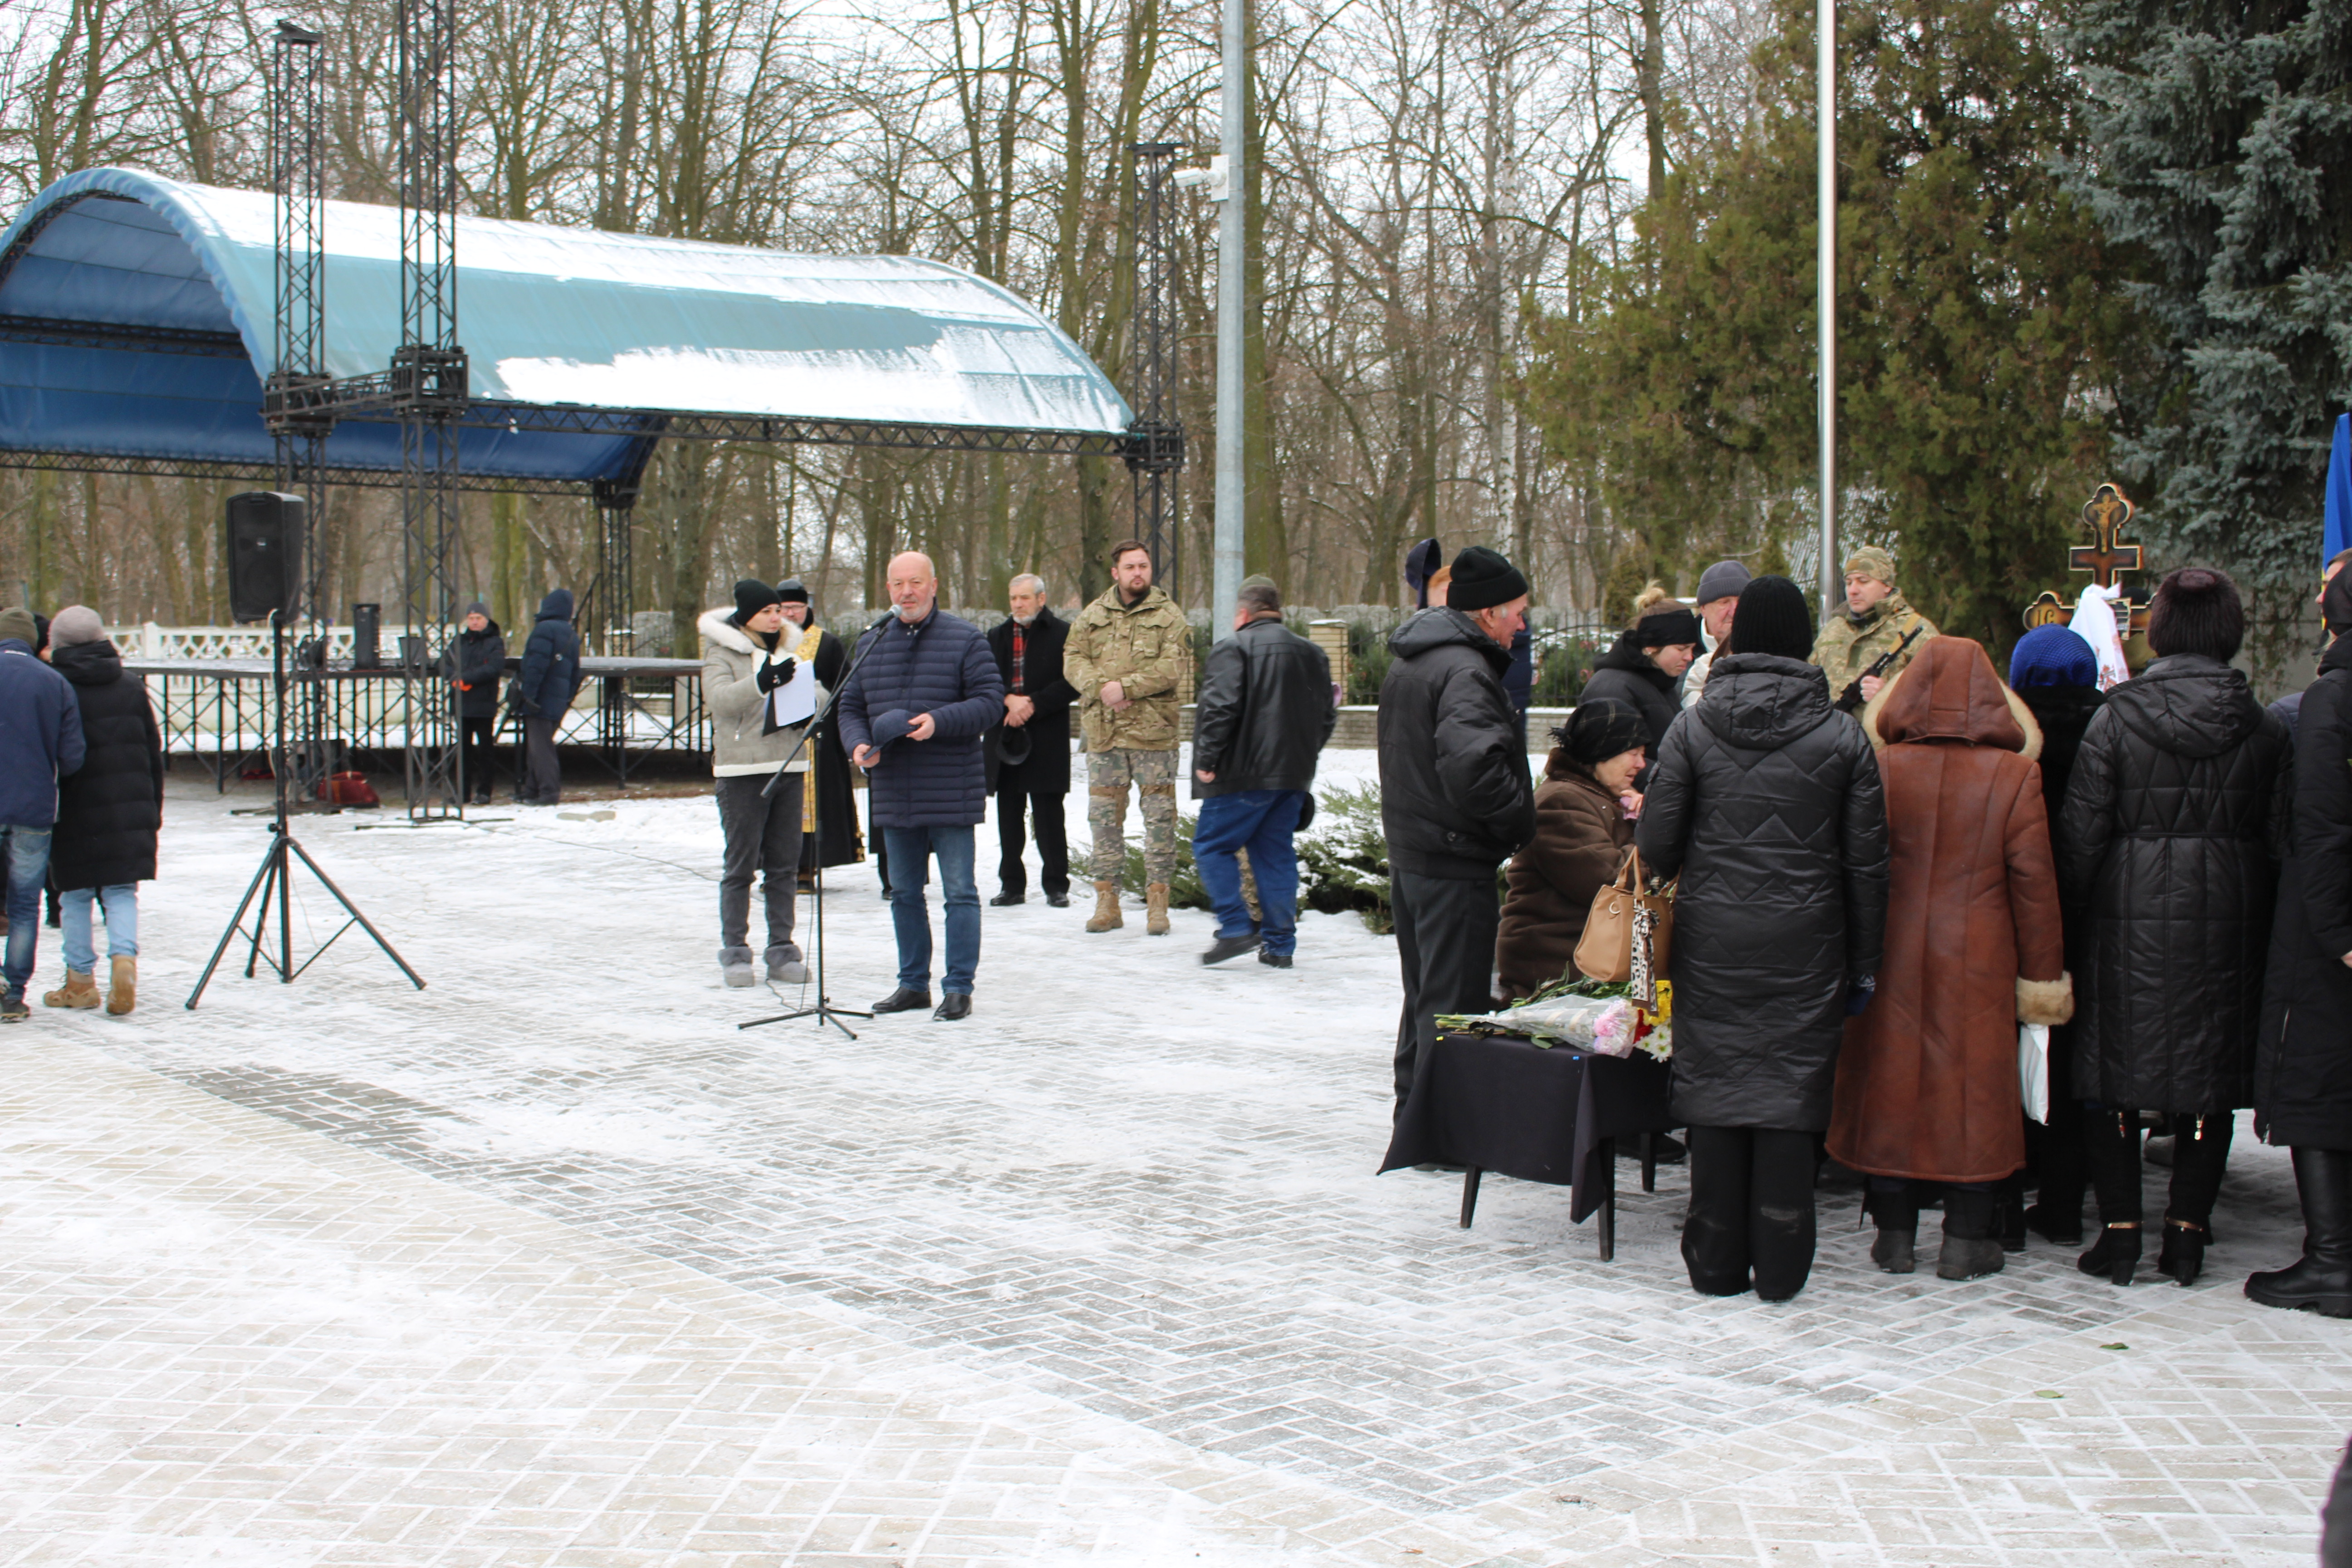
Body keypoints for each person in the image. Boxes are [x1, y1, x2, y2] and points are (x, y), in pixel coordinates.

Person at [1637, 574, 1888, 1302]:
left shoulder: (1692, 727)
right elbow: (1867, 865)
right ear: (1806, 640)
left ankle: (1713, 1263)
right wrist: (1864, 966)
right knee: (1789, 1094)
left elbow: (1656, 845)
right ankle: (1781, 1266)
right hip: (1810, 945)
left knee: (1716, 1090)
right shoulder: (1843, 736)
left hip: (1714, 940)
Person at [2059, 566, 2290, 1288]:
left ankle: (2121, 1236)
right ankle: (2186, 1237)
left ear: (2159, 628)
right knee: (2207, 1077)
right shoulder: (2261, 727)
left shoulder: (2117, 717)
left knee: (2113, 1075)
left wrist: (2071, 915)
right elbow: (2280, 838)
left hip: (2128, 918)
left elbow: (2081, 835)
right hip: (2228, 919)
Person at [1827, 636, 2071, 1282]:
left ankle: (1894, 1236)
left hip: (1891, 951)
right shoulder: (2015, 775)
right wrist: (2043, 980)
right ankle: (1966, 1240)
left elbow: (1852, 866)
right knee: (1975, 1096)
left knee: (1889, 1087)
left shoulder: (1880, 768)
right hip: (1980, 958)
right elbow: (2036, 886)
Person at [1377, 545, 1539, 1114]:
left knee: (1425, 994)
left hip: (1418, 853)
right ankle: (1438, 1127)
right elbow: (1475, 769)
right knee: (1453, 1003)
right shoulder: (1465, 668)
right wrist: (1521, 820)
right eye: (1517, 611)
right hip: (1450, 859)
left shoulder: (1422, 657)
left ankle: (1414, 1110)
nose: (1523, 623)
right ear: (1489, 612)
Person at [837, 552, 1003, 1021]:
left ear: (934, 585)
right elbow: (848, 707)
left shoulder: (965, 639)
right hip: (895, 787)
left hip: (950, 783)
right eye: (897, 584)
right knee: (904, 892)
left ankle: (958, 987)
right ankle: (913, 984)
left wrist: (938, 721)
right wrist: (858, 746)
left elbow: (991, 704)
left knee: (959, 892)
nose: (906, 592)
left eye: (915, 582)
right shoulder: (871, 642)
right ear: (887, 589)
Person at [2249, 562, 2352, 1318]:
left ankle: (2330, 1260)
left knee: (2311, 1081)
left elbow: (2321, 825)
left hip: (2328, 927)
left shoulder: (2331, 697)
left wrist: (2337, 931)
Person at [2007, 624, 2107, 1247]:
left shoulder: (2015, 744)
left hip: (2025, 917)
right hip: (2102, 917)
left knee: (2025, 1048)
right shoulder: (2111, 729)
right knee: (2082, 1059)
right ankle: (2069, 1198)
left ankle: (2022, 1177)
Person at [1191, 581, 1336, 968]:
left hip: (1241, 773)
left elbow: (1219, 709)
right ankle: (1280, 946)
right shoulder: (1313, 654)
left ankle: (1236, 926)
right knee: (1274, 855)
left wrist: (1206, 760)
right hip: (1292, 775)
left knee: (1211, 846)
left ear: (1243, 614)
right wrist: (1303, 757)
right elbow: (1327, 716)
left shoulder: (1234, 648)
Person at [37, 607, 161, 1017]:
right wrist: (153, 808)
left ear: (59, 644)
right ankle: (124, 960)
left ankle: (80, 982)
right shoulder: (130, 685)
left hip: (73, 807)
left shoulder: (55, 687)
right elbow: (152, 750)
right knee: (122, 890)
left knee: (74, 894)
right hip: (130, 805)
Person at [1064, 541, 1190, 935]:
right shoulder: (1094, 615)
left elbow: (1174, 666)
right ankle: (1108, 903)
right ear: (1115, 572)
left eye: (1144, 566)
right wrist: (1103, 688)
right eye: (1130, 567)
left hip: (1154, 736)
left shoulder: (1169, 616)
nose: (1139, 573)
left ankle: (1158, 905)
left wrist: (1128, 688)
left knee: (1160, 821)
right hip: (1105, 736)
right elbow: (1072, 656)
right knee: (1104, 822)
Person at [699, 579, 814, 989]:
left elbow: (815, 690)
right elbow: (721, 700)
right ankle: (735, 951)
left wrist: (811, 711)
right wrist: (764, 682)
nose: (776, 617)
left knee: (784, 865)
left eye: (778, 611)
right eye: (767, 611)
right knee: (741, 866)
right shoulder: (721, 652)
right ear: (747, 615)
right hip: (741, 773)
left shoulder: (787, 652)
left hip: (788, 767)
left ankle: (782, 950)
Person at [1494, 700, 1644, 1004]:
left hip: (1588, 956)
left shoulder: (1597, 796)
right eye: (1634, 753)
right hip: (1556, 965)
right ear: (1602, 752)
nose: (1641, 764)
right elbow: (1611, 881)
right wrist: (1649, 832)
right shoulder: (1561, 801)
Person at [0, 605, 84, 1023]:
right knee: (24, 905)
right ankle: (13, 993)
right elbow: (72, 758)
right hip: (33, 808)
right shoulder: (55, 683)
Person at [985, 573, 1077, 908]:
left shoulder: (1065, 634)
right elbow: (984, 680)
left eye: (1024, 598)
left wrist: (1032, 704)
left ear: (1041, 598)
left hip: (1046, 734)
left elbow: (1073, 681)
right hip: (1006, 733)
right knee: (1009, 815)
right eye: (1013, 599)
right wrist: (1010, 701)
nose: (1018, 605)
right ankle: (1012, 885)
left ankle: (1056, 885)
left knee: (1049, 815)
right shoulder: (995, 636)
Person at [1577, 584, 1701, 788]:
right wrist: (1681, 785)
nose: (1689, 657)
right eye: (1681, 649)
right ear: (1651, 647)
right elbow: (1616, 766)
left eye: (1692, 649)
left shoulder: (1660, 683)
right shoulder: (1612, 688)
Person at [776, 581, 859, 882]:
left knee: (813, 803)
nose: (791, 614)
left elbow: (846, 687)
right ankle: (775, 865)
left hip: (817, 737)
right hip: (774, 739)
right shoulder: (766, 641)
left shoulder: (827, 643)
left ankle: (806, 867)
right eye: (784, 609)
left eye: (796, 608)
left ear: (807, 608)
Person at [1812, 545, 1937, 705]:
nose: (1853, 590)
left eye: (1863, 581)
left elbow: (1939, 698)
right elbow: (1809, 683)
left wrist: (1890, 696)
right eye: (1849, 583)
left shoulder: (1918, 631)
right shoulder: (1833, 629)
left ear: (1887, 585)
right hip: (1831, 728)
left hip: (1883, 729)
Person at [510, 588, 583, 805]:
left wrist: (528, 694)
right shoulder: (571, 634)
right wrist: (567, 698)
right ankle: (533, 789)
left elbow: (535, 666)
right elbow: (575, 672)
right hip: (557, 698)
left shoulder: (544, 630)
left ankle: (548, 792)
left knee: (540, 748)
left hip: (541, 697)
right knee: (539, 744)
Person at [444, 602, 505, 805]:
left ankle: (484, 791)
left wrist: (467, 679)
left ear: (486, 620)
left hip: (483, 703)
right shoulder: (458, 641)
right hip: (461, 701)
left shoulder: (494, 642)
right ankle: (462, 792)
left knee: (485, 749)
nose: (475, 622)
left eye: (478, 618)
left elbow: (493, 668)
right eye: (471, 619)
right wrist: (455, 679)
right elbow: (443, 663)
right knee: (463, 750)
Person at [1679, 559, 1752, 710]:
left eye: (1741, 601)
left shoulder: (1765, 651)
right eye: (1724, 602)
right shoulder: (1678, 655)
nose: (1734, 611)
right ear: (1704, 609)